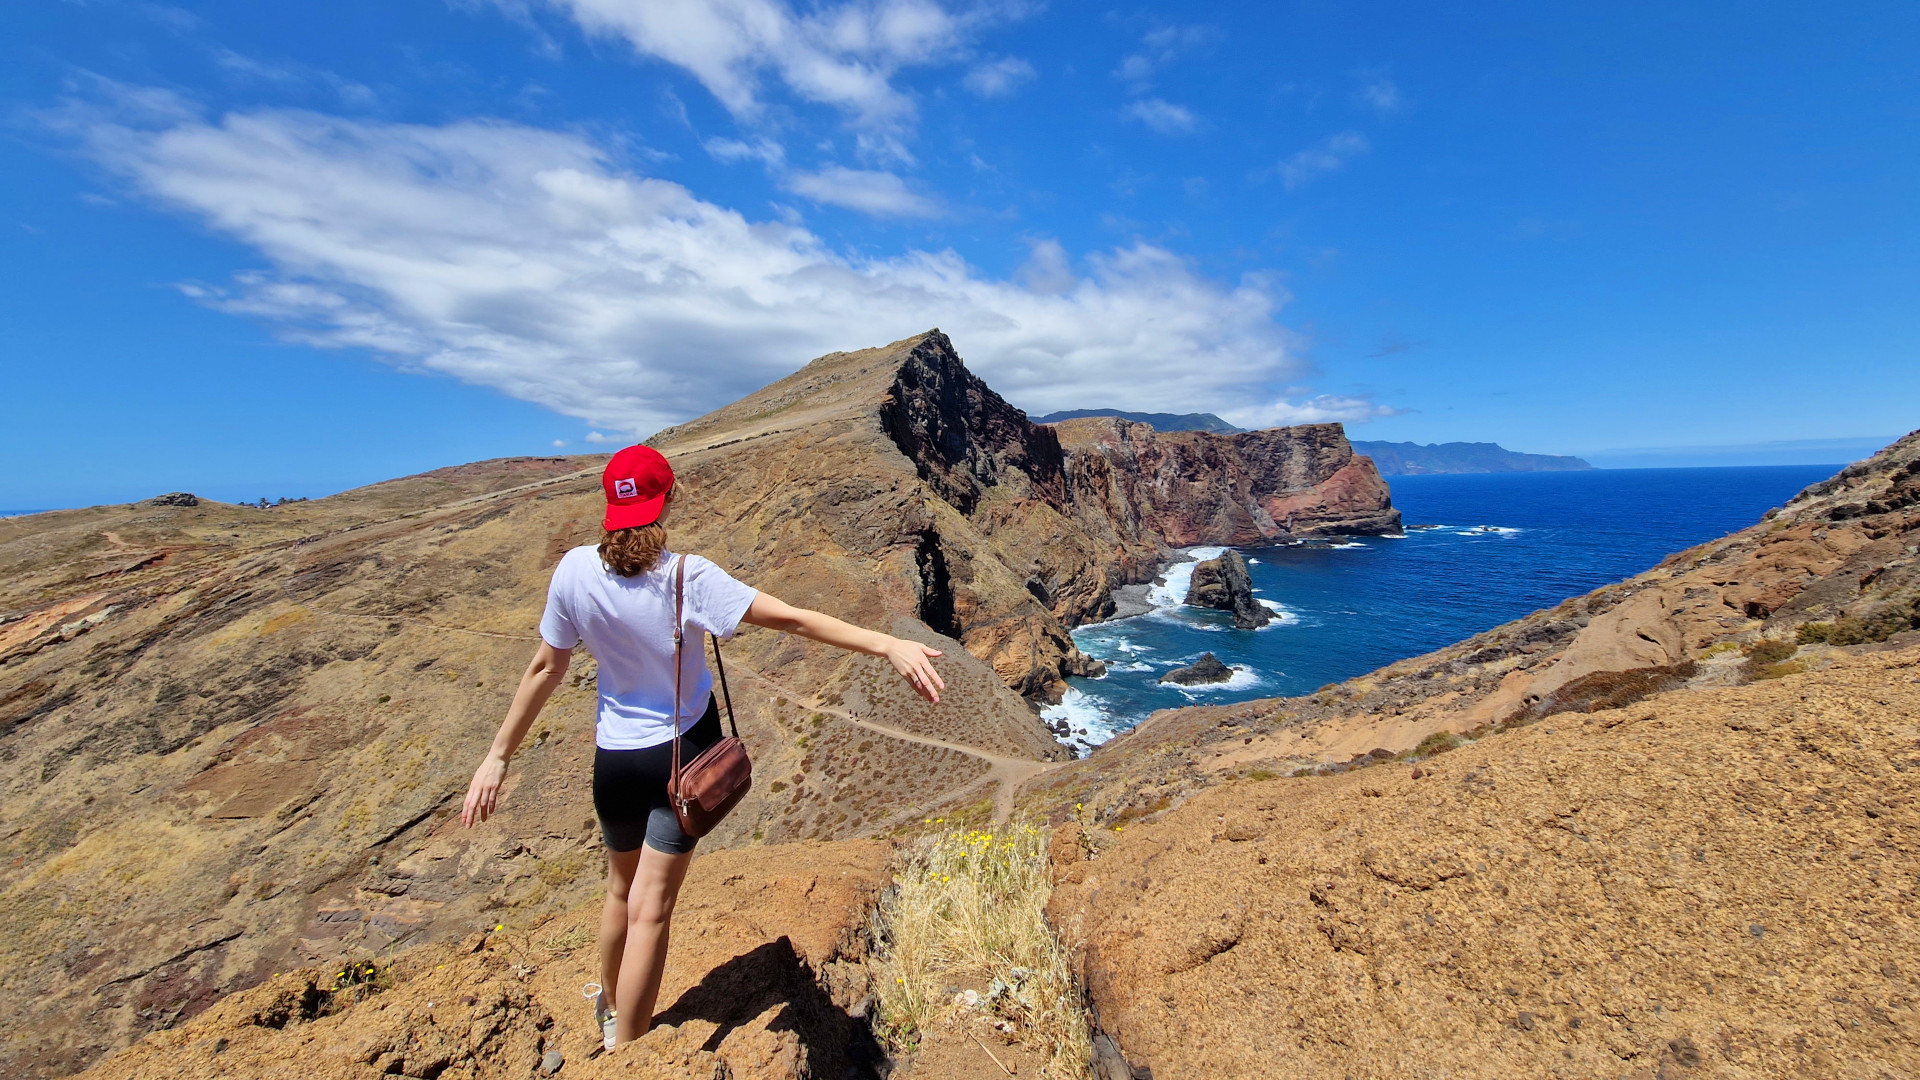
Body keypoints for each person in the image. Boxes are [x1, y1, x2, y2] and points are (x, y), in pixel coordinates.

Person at [459, 445, 944, 1049]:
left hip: (615, 763)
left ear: (610, 506)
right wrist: (886, 644)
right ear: (667, 501)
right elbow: (792, 619)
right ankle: (628, 1050)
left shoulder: (573, 571)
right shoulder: (687, 577)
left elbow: (544, 667)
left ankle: (609, 1010)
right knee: (652, 910)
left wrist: (498, 756)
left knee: (620, 892)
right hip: (682, 756)